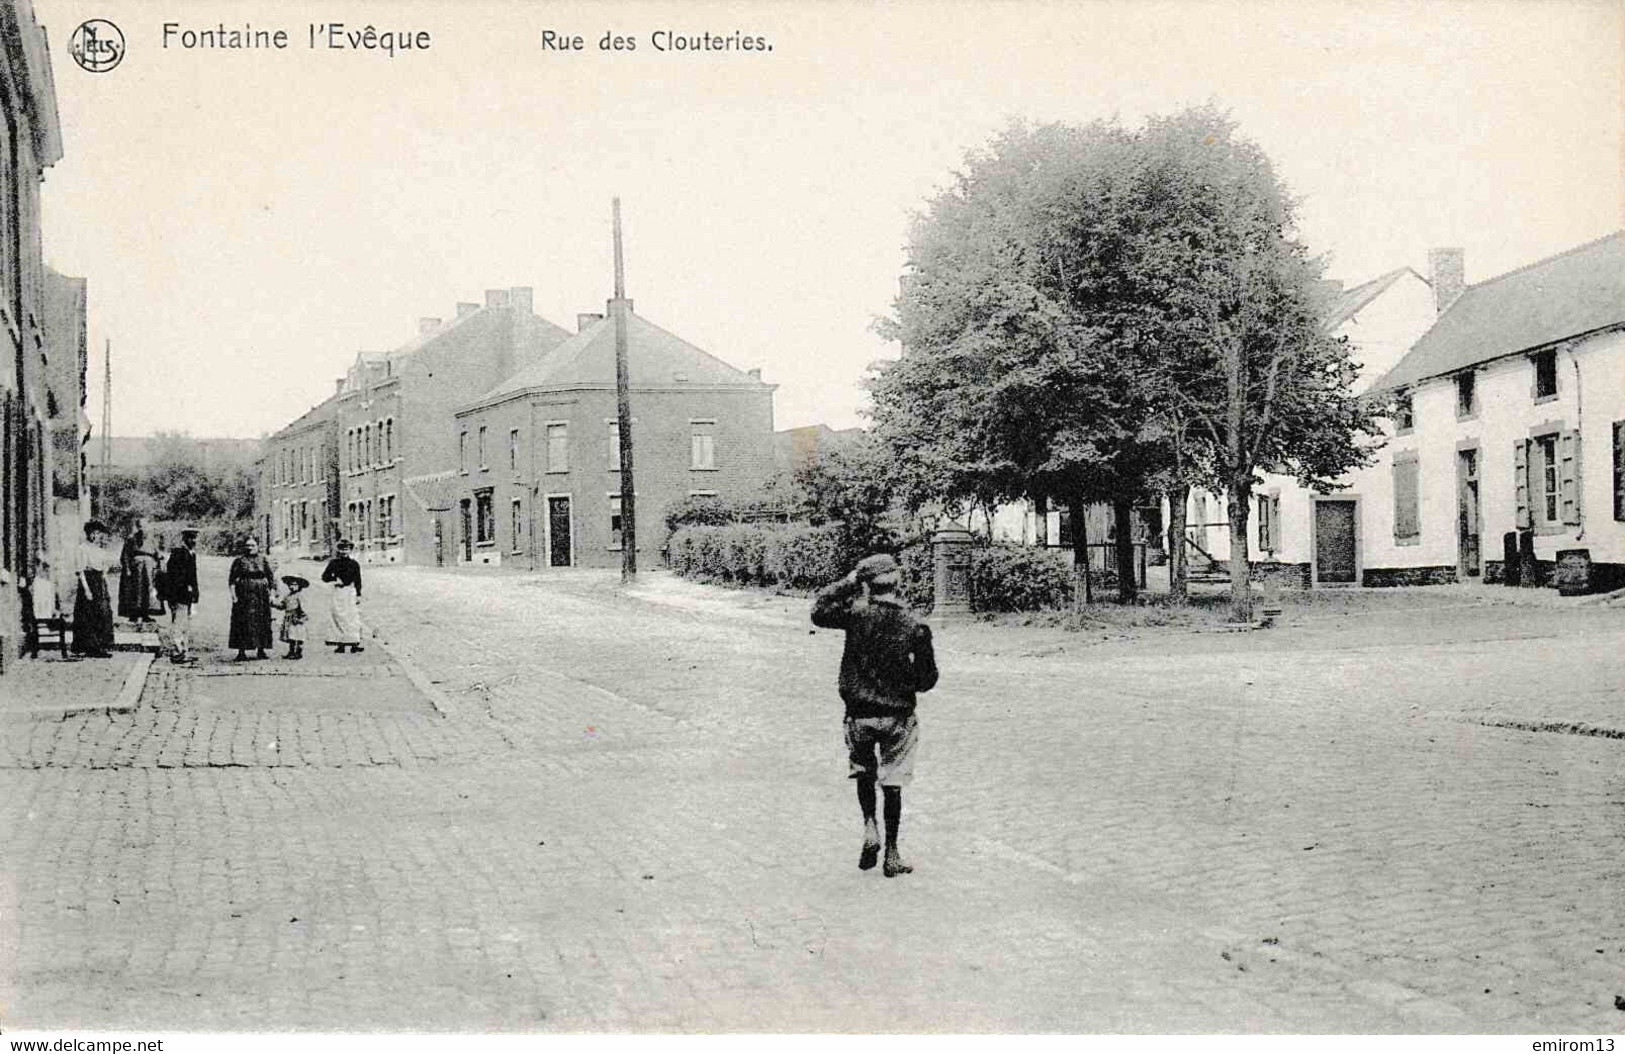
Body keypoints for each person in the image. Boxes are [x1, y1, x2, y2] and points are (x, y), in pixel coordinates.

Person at [811, 553, 938, 877]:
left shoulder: (855, 614)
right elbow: (928, 680)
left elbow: (819, 611)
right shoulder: (915, 624)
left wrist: (849, 580)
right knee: (892, 783)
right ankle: (892, 852)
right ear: (897, 583)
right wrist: (905, 680)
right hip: (897, 715)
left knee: (864, 773)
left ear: (867, 585)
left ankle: (869, 826)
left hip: (859, 714)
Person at [227, 536, 278, 661]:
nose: (250, 548)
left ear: (257, 547)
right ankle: (241, 651)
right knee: (242, 621)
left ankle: (261, 650)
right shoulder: (239, 561)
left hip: (261, 596)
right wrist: (234, 596)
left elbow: (271, 579)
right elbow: (232, 580)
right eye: (247, 545)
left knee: (262, 620)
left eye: (252, 545)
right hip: (244, 595)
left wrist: (271, 594)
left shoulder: (263, 560)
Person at [71, 520, 116, 657]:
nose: (95, 536)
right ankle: (90, 647)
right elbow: (80, 571)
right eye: (92, 533)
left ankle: (102, 645)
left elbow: (105, 567)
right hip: (88, 582)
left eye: (97, 533)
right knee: (88, 614)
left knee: (103, 613)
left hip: (99, 583)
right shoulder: (82, 548)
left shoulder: (100, 550)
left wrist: (104, 576)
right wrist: (86, 589)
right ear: (88, 534)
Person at [162, 528, 201, 664]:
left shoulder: (191, 554)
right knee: (178, 624)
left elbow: (193, 576)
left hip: (187, 595)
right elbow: (174, 576)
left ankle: (184, 651)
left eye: (195, 538)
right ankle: (177, 652)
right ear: (185, 539)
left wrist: (195, 592)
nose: (193, 540)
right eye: (190, 538)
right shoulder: (178, 553)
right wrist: (184, 589)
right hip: (178, 595)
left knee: (185, 624)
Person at [321, 539, 365, 654]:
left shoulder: (354, 564)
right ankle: (340, 644)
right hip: (338, 592)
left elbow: (358, 580)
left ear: (350, 550)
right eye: (342, 549)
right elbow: (324, 577)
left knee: (352, 617)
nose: (344, 551)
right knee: (338, 616)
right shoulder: (334, 563)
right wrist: (335, 579)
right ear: (339, 550)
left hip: (350, 592)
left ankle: (354, 643)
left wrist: (358, 594)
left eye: (347, 549)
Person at [117, 523, 165, 625]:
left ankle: (146, 614)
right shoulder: (131, 539)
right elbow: (125, 556)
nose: (143, 529)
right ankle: (134, 615)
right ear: (138, 528)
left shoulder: (151, 540)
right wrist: (127, 569)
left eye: (146, 526)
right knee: (136, 591)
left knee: (148, 591)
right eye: (141, 527)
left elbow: (157, 554)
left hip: (149, 569)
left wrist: (159, 561)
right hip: (136, 569)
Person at [275, 575, 310, 660]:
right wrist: (274, 604)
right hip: (289, 618)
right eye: (290, 585)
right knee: (290, 636)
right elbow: (282, 605)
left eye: (294, 585)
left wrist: (302, 618)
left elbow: (304, 608)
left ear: (299, 586)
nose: (291, 587)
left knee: (297, 636)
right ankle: (291, 652)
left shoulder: (299, 596)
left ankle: (298, 652)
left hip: (296, 618)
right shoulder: (288, 596)